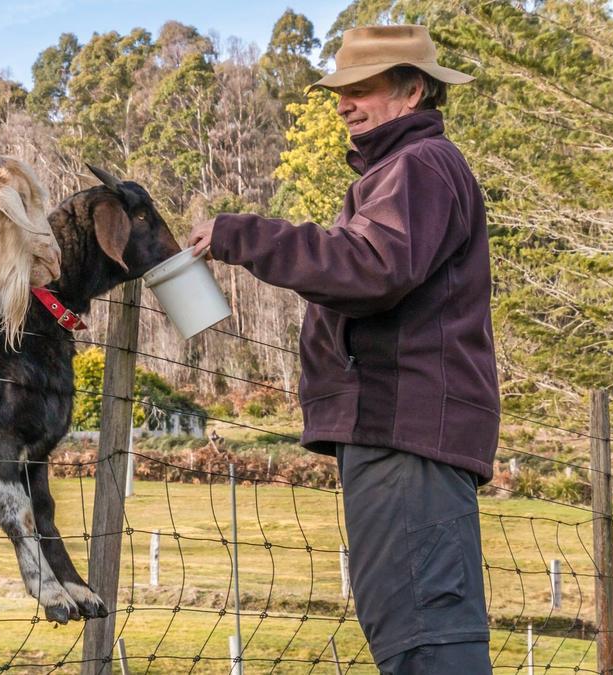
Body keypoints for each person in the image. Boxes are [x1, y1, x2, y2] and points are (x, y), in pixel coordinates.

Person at [188, 24, 499, 674]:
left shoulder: (419, 168)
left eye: (362, 88)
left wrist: (240, 235)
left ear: (412, 90)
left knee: (426, 643)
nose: (344, 103)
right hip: (398, 434)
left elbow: (371, 267)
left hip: (405, 435)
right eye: (340, 90)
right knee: (417, 633)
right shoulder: (402, 172)